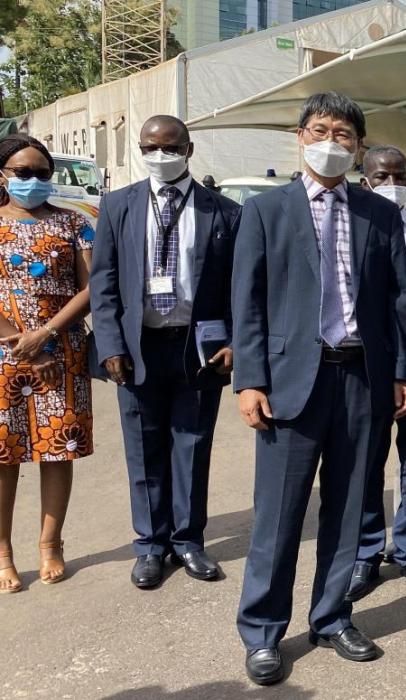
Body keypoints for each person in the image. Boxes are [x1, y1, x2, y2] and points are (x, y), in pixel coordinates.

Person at [232, 92, 406, 686]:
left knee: (350, 507)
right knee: (279, 516)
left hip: (363, 375)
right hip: (290, 381)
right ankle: (263, 631)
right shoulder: (265, 212)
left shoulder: (380, 213)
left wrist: (402, 371)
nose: (331, 143)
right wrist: (250, 381)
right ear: (299, 136)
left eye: (343, 134)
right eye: (320, 131)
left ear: (359, 146)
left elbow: (400, 301)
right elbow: (248, 304)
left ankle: (332, 615)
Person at [89, 115, 242, 589]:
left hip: (199, 349)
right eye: (151, 147)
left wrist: (235, 341)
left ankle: (188, 541)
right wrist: (111, 344)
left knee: (192, 446)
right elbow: (104, 282)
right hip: (138, 348)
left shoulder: (224, 211)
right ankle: (151, 546)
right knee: (143, 446)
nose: (161, 156)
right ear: (140, 149)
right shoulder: (117, 206)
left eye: (171, 148)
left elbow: (240, 285)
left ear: (189, 150)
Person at [345, 145, 406, 601]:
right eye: (382, 177)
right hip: (368, 369)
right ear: (364, 182)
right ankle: (365, 552)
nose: (393, 185)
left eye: (401, 177)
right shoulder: (351, 233)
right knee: (366, 464)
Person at [0, 134, 95, 593]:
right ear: (3, 174)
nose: (34, 181)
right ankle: (3, 553)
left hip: (62, 350)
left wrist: (47, 336)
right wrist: (22, 343)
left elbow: (91, 287)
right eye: (23, 173)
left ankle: (50, 544)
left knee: (57, 449)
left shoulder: (75, 224)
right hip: (4, 354)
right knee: (4, 457)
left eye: (42, 173)